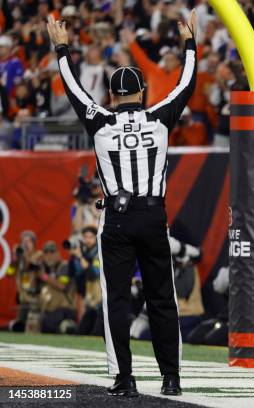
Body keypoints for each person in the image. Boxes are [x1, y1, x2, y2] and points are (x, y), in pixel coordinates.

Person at [47, 10, 198, 397]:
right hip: (152, 215)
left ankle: (124, 379)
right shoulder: (160, 118)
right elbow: (185, 84)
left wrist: (61, 48)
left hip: (115, 217)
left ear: (112, 95)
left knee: (115, 300)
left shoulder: (99, 121)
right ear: (143, 92)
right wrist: (190, 43)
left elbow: (74, 89)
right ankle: (171, 378)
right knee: (162, 298)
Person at [70, 226, 103, 336]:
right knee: (81, 332)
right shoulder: (84, 253)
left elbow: (95, 273)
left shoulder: (100, 252)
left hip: (101, 301)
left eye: (91, 237)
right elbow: (76, 274)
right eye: (85, 237)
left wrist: (80, 257)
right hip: (91, 302)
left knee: (97, 333)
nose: (88, 240)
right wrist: (74, 258)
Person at [38, 241, 77, 334]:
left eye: (52, 252)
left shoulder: (64, 266)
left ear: (58, 253)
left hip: (64, 309)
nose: (49, 255)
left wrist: (44, 276)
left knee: (52, 327)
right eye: (46, 253)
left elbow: (62, 286)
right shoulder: (44, 268)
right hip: (49, 310)